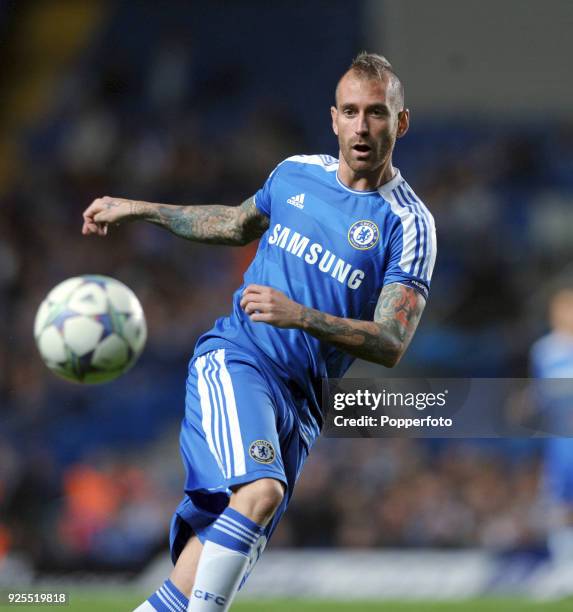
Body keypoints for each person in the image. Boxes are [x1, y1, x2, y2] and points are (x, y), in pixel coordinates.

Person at [82, 52, 437, 611]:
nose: (363, 127)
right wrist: (139, 207)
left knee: (190, 579)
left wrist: (301, 315)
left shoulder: (409, 225)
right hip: (239, 360)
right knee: (260, 491)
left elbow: (391, 342)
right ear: (333, 119)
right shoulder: (295, 173)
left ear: (402, 121)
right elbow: (234, 222)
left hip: (302, 406)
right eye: (351, 112)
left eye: (377, 113)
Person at [530, 288, 573, 562]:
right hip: (561, 440)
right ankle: (564, 566)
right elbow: (541, 394)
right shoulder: (544, 350)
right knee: (559, 501)